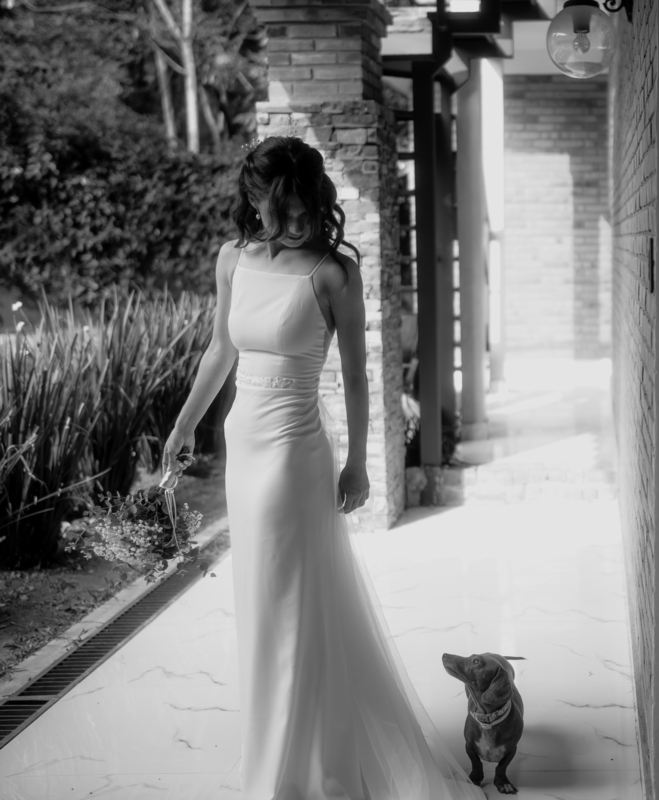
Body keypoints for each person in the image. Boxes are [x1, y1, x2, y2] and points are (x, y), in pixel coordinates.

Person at [162, 136, 486, 800]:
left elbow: (361, 379)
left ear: (313, 197)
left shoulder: (333, 272)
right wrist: (185, 421)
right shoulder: (232, 259)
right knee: (262, 600)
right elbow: (221, 347)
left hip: (292, 450)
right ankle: (281, 748)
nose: (289, 217)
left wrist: (362, 462)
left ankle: (294, 771)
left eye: (298, 203)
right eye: (274, 204)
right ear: (254, 200)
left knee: (288, 604)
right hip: (242, 443)